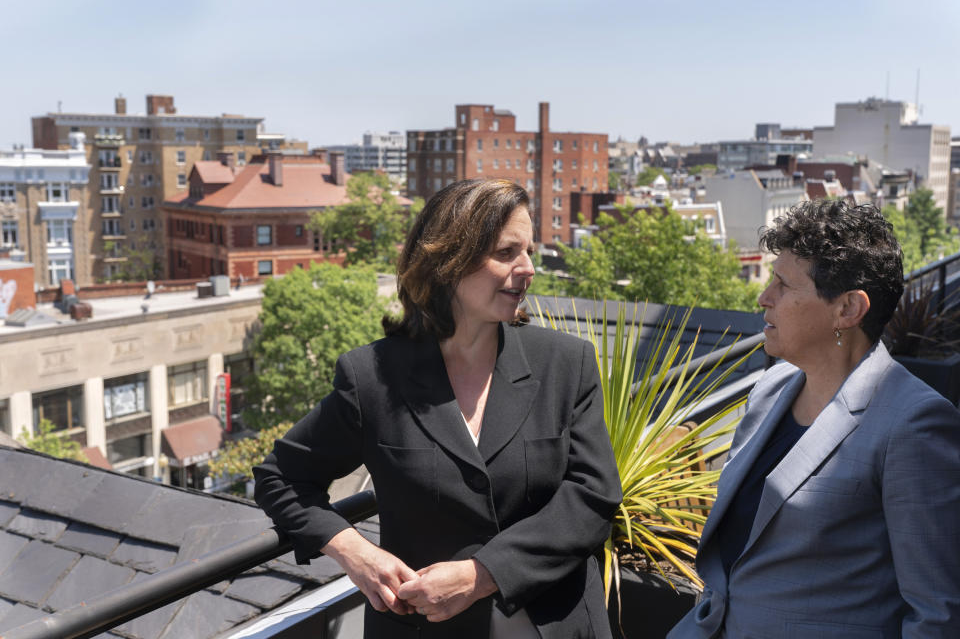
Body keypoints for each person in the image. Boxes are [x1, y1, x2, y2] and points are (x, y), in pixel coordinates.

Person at [254, 178, 622, 638]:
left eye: (529, 251)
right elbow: (282, 477)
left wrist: (481, 574)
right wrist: (356, 553)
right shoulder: (372, 377)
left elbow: (594, 496)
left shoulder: (565, 363)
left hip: (558, 626)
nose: (528, 268)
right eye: (507, 253)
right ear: (450, 260)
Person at [669, 199, 960, 638]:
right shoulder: (770, 390)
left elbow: (939, 612)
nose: (763, 297)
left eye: (783, 285)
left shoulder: (913, 424)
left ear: (847, 309)